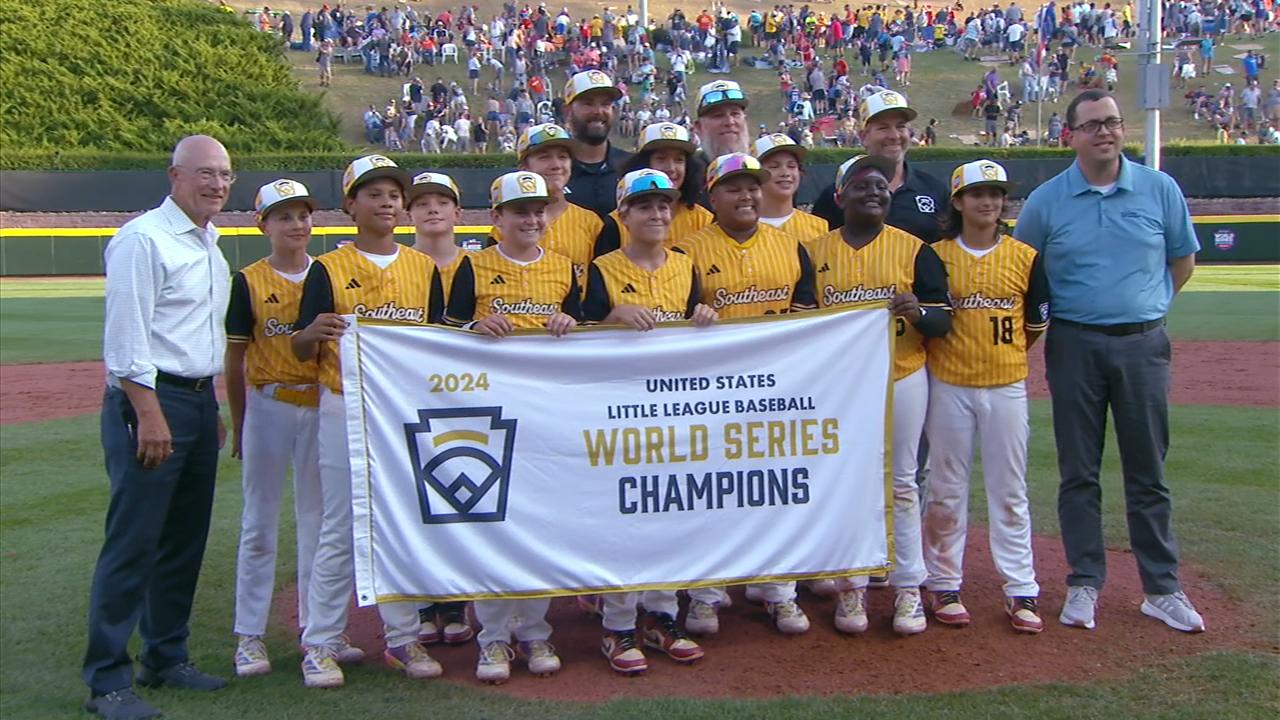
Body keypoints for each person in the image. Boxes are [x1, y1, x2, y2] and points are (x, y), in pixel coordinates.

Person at [1013, 89, 1205, 634]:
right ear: (1069, 133)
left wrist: (1148, 309)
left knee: (1148, 472)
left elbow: (1181, 262)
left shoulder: (1159, 187)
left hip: (1143, 344)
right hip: (1074, 344)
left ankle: (1161, 588)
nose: (1106, 132)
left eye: (1114, 123)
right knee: (1080, 471)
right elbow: (1028, 276)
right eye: (1093, 124)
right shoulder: (1048, 201)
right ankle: (1084, 582)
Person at [84, 135, 233, 720]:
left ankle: (165, 657)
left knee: (183, 541)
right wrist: (149, 413)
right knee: (134, 540)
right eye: (205, 174)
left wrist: (211, 404)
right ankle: (107, 681)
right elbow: (127, 339)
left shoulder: (211, 245)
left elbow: (198, 339)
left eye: (224, 174)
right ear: (175, 176)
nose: (217, 184)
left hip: (195, 400)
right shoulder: (144, 239)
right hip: (150, 400)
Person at [291, 155, 446, 688]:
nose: (386, 201)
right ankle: (320, 640)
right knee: (341, 523)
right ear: (350, 205)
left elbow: (439, 343)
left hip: (402, 411)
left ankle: (403, 637)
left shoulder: (423, 269)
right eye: (373, 192)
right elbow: (297, 344)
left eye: (393, 193)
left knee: (400, 520)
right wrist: (314, 331)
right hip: (343, 405)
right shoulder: (327, 268)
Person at [805, 154, 952, 636]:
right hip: (840, 385)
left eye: (882, 186)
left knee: (903, 482)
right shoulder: (812, 249)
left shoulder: (914, 249)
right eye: (863, 184)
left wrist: (919, 313)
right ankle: (853, 582)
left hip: (902, 373)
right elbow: (799, 319)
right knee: (849, 481)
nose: (875, 191)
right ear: (839, 195)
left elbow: (943, 318)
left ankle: (908, 585)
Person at [443, 170, 581, 683]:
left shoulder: (567, 270)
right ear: (496, 217)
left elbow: (590, 339)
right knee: (492, 523)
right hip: (486, 415)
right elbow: (441, 331)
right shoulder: (472, 268)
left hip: (547, 415)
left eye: (537, 210)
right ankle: (494, 638)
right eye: (519, 210)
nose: (531, 218)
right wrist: (473, 328)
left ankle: (536, 631)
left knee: (540, 522)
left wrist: (573, 325)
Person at [672, 152, 818, 637]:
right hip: (711, 393)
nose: (747, 195)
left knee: (775, 492)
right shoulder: (687, 251)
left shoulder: (792, 246)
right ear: (712, 196)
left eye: (752, 186)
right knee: (709, 494)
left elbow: (809, 316)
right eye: (734, 187)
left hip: (778, 389)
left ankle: (780, 591)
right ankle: (706, 595)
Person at [226, 179, 366, 679]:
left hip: (318, 405)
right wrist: (239, 423)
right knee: (259, 523)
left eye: (303, 215)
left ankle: (318, 631)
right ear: (261, 223)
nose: (297, 225)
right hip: (269, 405)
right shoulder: (248, 280)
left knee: (318, 521)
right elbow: (236, 357)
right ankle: (250, 635)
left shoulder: (328, 272)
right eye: (284, 216)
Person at [583, 168, 716, 674]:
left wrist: (704, 319)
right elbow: (578, 337)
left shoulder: (685, 266)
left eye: (665, 205)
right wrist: (612, 317)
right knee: (625, 516)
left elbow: (697, 328)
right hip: (620, 408)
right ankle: (618, 624)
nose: (658, 213)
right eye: (646, 206)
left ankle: (662, 614)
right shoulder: (602, 268)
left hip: (677, 407)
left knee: (673, 512)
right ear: (624, 215)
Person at [922, 160, 1049, 635]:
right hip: (949, 384)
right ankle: (943, 582)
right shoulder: (934, 255)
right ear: (957, 202)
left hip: (1005, 384)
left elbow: (1034, 325)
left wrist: (1002, 356)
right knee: (945, 488)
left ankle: (1021, 588)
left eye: (996, 194)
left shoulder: (1025, 256)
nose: (989, 202)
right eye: (978, 194)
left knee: (1010, 490)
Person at [403, 171, 476, 647]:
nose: (432, 209)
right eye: (422, 201)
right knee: (413, 499)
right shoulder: (397, 264)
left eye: (441, 201)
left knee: (465, 495)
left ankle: (457, 599)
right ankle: (423, 599)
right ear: (408, 213)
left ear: (458, 212)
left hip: (470, 396)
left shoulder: (479, 264)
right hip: (407, 394)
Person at [810, 91, 949, 244]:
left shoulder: (934, 190)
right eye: (883, 128)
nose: (894, 135)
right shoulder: (838, 194)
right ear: (863, 137)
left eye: (900, 126)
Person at [493, 123, 603, 294]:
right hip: (520, 314)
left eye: (563, 157)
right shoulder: (507, 225)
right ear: (524, 168)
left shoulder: (591, 222)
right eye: (544, 157)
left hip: (576, 318)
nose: (556, 165)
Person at [597, 122, 713, 252]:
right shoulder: (617, 224)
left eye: (679, 160)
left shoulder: (704, 219)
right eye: (661, 159)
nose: (671, 168)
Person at [564, 70, 633, 214]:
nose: (598, 111)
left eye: (605, 104)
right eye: (588, 103)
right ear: (568, 111)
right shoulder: (556, 171)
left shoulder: (633, 166)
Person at [752, 133, 828, 244]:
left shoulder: (819, 228)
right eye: (774, 166)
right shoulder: (740, 228)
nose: (785, 173)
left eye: (791, 166)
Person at [693, 80, 753, 160]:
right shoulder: (687, 168)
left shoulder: (765, 163)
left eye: (735, 114)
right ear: (698, 127)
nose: (730, 122)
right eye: (718, 116)